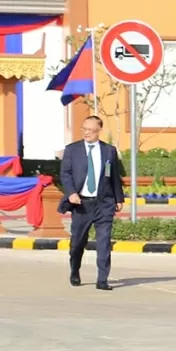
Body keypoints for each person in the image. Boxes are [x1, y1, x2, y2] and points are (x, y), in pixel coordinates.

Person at [59, 115, 124, 290]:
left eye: (91, 130)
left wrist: (119, 198)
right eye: (84, 129)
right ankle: (75, 269)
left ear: (99, 131)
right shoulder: (72, 150)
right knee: (78, 242)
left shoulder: (108, 151)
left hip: (104, 203)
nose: (86, 133)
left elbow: (113, 176)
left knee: (104, 241)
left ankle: (102, 279)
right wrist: (71, 193)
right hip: (81, 204)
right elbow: (65, 174)